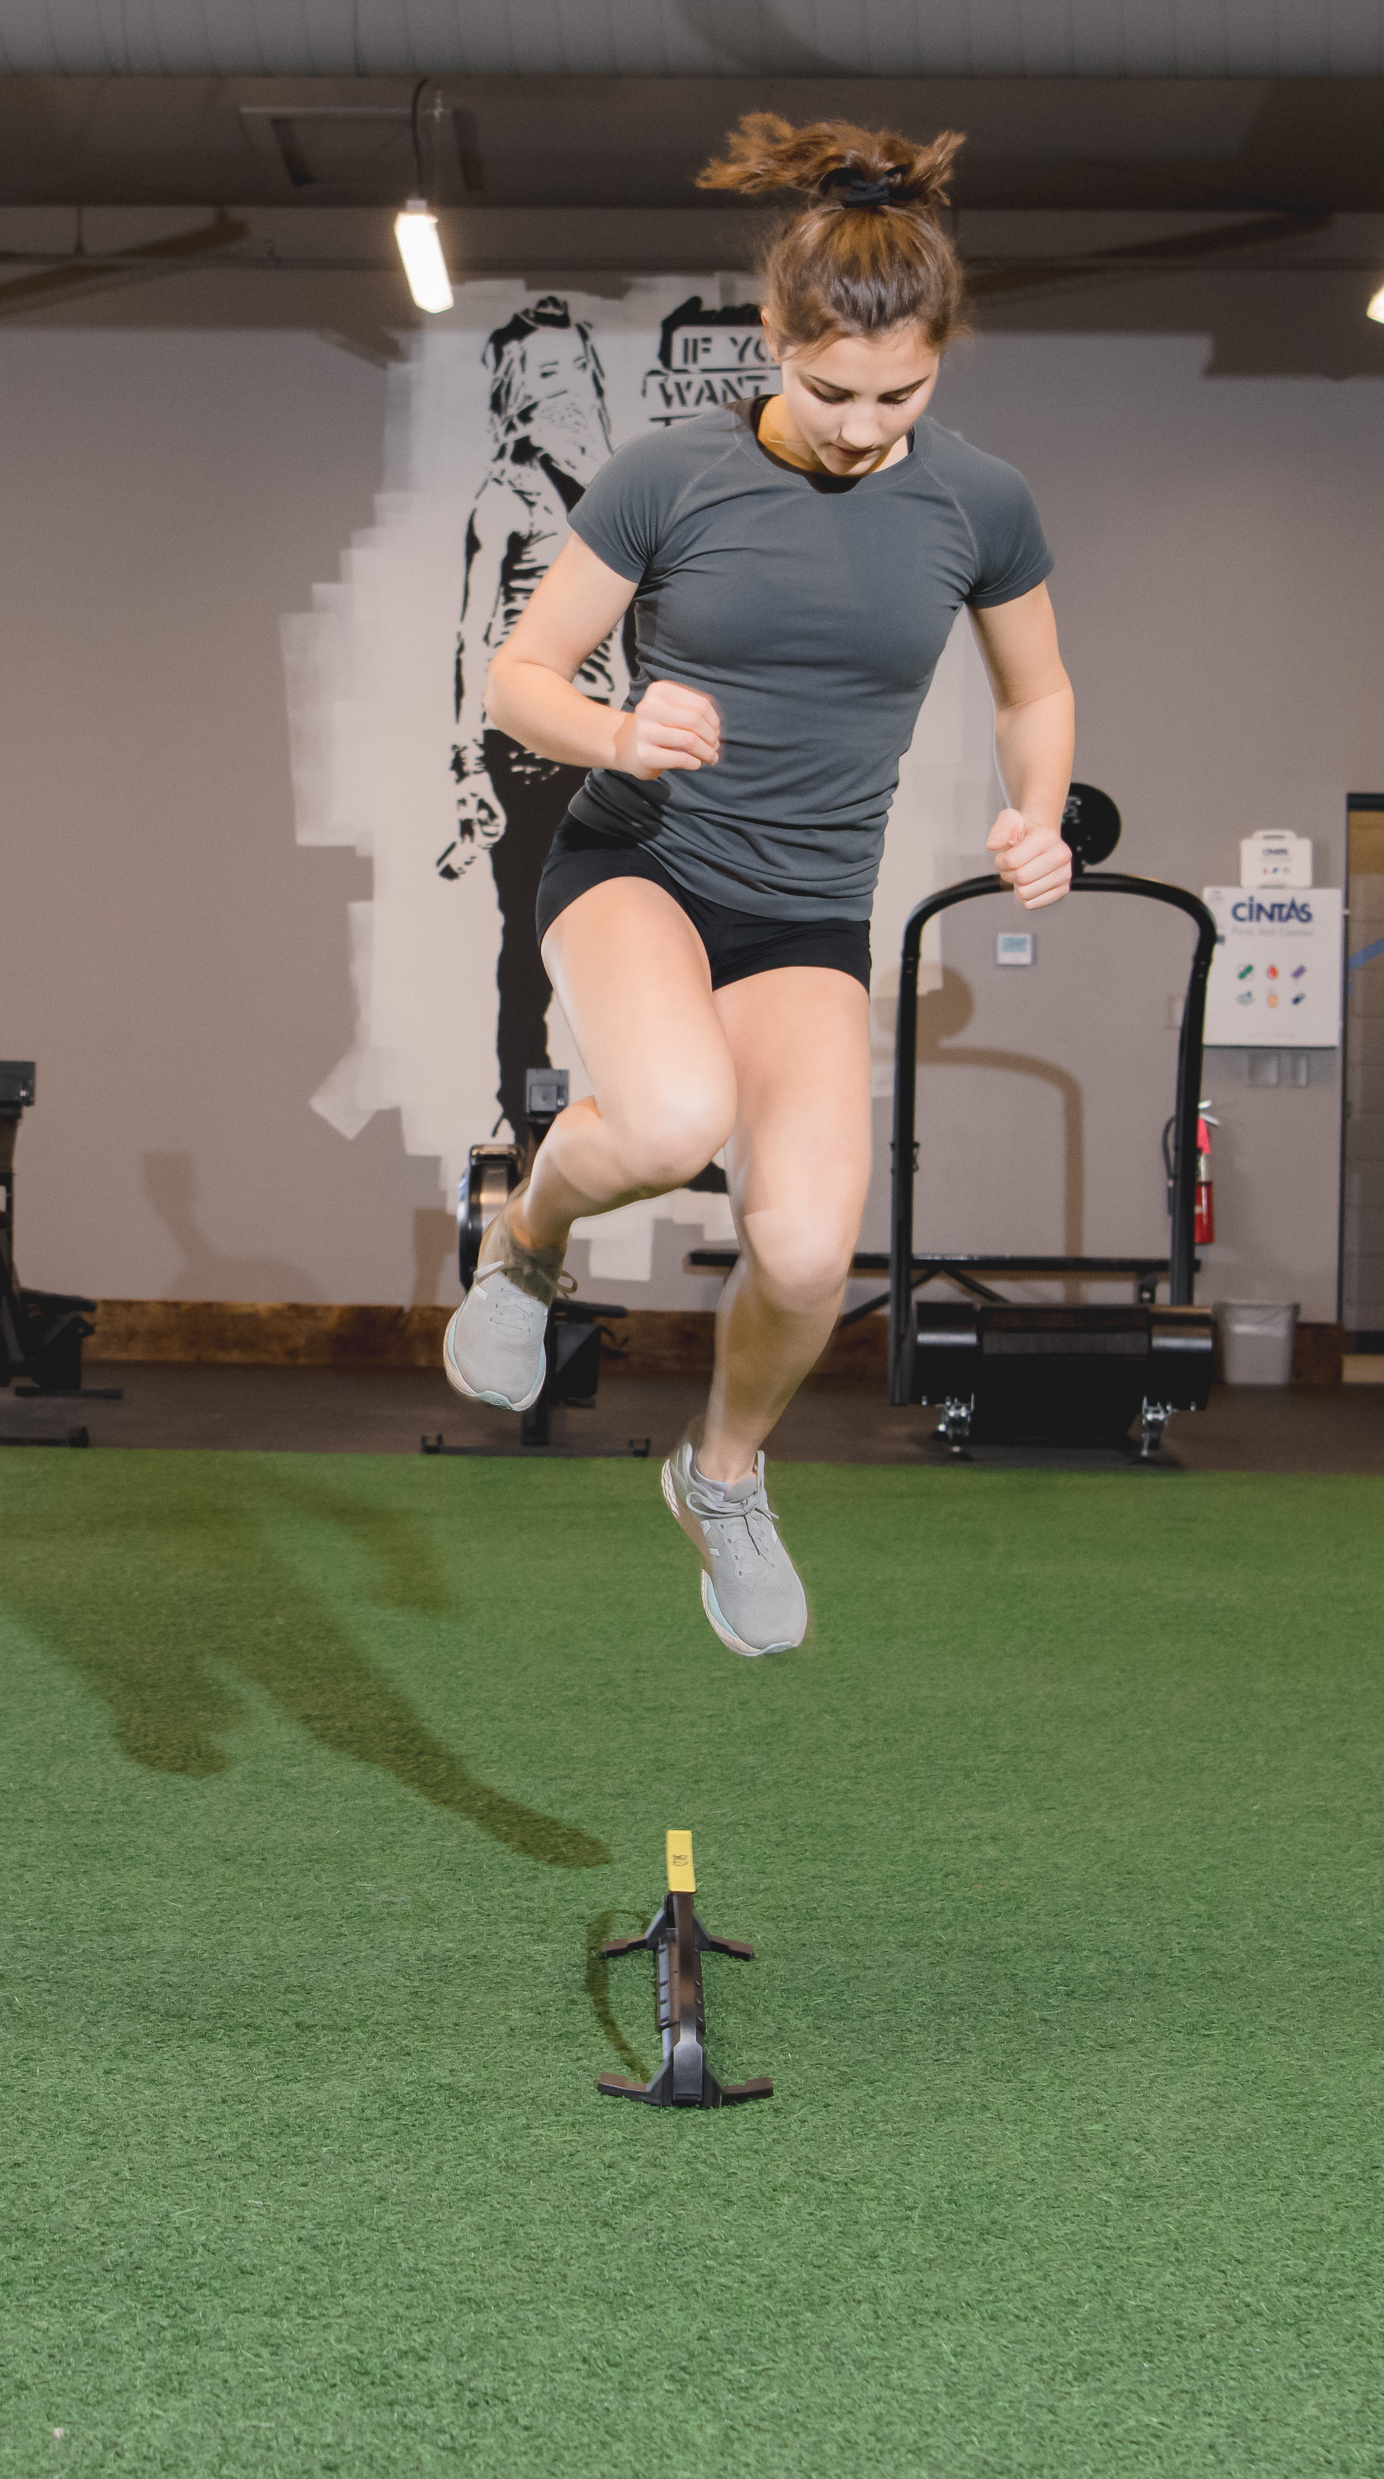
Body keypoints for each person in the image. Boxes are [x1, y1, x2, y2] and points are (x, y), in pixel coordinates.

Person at [442, 115, 1078, 1659]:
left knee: (803, 1249)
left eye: (902, 395)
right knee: (667, 1122)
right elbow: (517, 677)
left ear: (943, 361)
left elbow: (1036, 689)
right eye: (829, 390)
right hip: (640, 856)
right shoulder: (671, 474)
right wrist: (618, 723)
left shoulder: (979, 503)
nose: (865, 428)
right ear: (775, 342)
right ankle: (525, 1238)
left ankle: (720, 1476)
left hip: (806, 911)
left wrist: (1038, 814)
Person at [437, 296, 634, 1140]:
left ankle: (642, 1115)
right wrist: (466, 768)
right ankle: (528, 1116)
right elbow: (471, 638)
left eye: (573, 371)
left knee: (633, 939)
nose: (565, 391)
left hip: (611, 747)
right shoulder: (507, 495)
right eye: (543, 374)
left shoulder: (613, 494)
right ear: (515, 389)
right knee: (535, 942)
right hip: (526, 752)